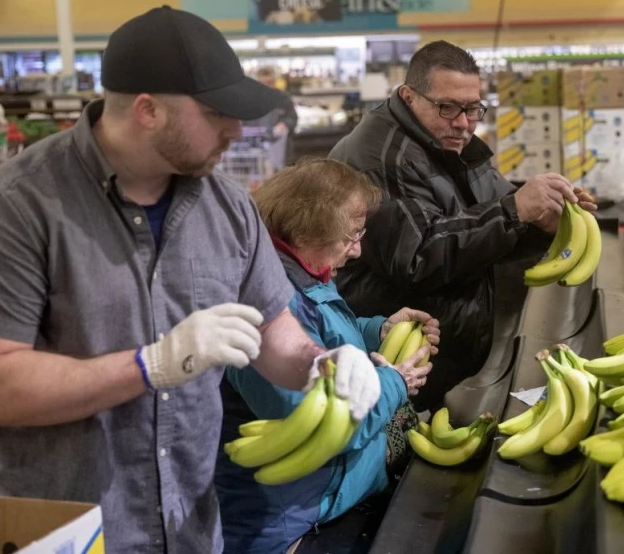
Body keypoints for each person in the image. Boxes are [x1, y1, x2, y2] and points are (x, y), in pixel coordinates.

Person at [0, 6, 381, 553]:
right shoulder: (11, 209)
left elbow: (275, 334)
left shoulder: (229, 210)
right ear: (147, 110)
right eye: (217, 112)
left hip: (188, 527)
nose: (236, 130)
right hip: (66, 530)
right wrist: (152, 365)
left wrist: (320, 362)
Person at [329, 40, 596, 412]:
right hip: (399, 351)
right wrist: (514, 210)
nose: (463, 121)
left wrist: (539, 223)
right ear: (409, 97)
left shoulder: (451, 139)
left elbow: (490, 221)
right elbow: (417, 259)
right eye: (448, 107)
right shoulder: (383, 159)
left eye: (473, 108)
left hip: (450, 343)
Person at [214, 158, 437, 553]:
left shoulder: (297, 274)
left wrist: (376, 331)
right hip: (290, 527)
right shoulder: (266, 299)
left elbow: (322, 336)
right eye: (350, 236)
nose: (357, 251)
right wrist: (395, 384)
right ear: (307, 231)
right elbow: (317, 422)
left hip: (320, 504)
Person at [245, 66, 299, 169]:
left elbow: (293, 117)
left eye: (270, 82)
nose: (268, 86)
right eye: (263, 83)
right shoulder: (249, 100)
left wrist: (284, 124)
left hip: (281, 150)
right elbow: (244, 122)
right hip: (256, 150)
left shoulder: (283, 98)